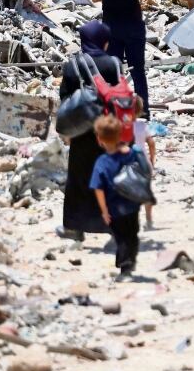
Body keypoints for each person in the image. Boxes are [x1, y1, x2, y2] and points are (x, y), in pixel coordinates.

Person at [56, 21, 121, 242]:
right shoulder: (113, 63)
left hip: (81, 129)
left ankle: (74, 227)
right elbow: (120, 95)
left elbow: (65, 98)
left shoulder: (72, 65)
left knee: (78, 178)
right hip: (108, 128)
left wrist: (67, 132)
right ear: (104, 41)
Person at [90, 0, 150, 109]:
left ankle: (116, 109)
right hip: (133, 24)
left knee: (113, 71)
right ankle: (143, 110)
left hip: (111, 27)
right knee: (138, 70)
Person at [89, 115, 143, 280]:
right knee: (132, 232)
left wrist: (104, 211)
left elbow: (98, 189)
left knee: (121, 237)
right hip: (133, 203)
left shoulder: (102, 162)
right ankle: (130, 260)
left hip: (115, 208)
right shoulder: (130, 154)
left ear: (100, 140)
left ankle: (125, 266)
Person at [133, 106, 158, 230]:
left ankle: (134, 221)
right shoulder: (142, 126)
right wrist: (152, 160)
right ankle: (149, 220)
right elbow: (152, 144)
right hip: (143, 163)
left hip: (129, 164)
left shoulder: (121, 126)